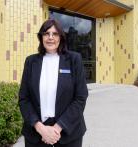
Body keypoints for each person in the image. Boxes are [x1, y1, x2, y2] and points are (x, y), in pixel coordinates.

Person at [19, 19, 88, 147]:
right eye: (46, 33)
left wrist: (57, 128)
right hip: (36, 134)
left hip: (68, 133)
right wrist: (41, 128)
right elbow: (24, 99)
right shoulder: (30, 61)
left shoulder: (74, 59)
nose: (50, 38)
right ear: (41, 37)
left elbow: (80, 97)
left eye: (55, 34)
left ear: (61, 37)